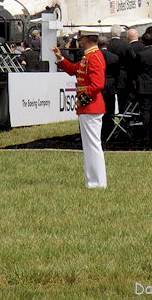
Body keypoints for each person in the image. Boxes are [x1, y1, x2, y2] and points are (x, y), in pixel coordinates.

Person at [51, 30, 107, 188]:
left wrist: (82, 100)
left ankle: (97, 182)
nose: (80, 41)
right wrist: (60, 58)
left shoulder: (93, 56)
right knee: (90, 146)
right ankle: (93, 181)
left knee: (93, 146)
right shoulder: (89, 56)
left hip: (91, 106)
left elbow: (98, 84)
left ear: (86, 39)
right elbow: (74, 70)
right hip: (89, 106)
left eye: (81, 39)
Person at [133, 34, 152, 143]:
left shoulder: (140, 55)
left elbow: (135, 69)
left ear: (143, 42)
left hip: (144, 86)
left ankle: (147, 135)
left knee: (145, 111)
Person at [97, 37, 119, 139]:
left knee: (99, 110)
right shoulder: (114, 57)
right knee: (110, 109)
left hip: (99, 85)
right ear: (107, 44)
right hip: (110, 85)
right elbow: (116, 73)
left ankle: (99, 130)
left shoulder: (95, 56)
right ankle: (109, 130)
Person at [107, 25, 129, 112]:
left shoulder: (108, 45)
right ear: (120, 33)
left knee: (109, 101)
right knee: (123, 101)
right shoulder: (125, 45)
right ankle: (123, 121)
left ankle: (110, 121)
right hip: (122, 76)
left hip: (109, 75)